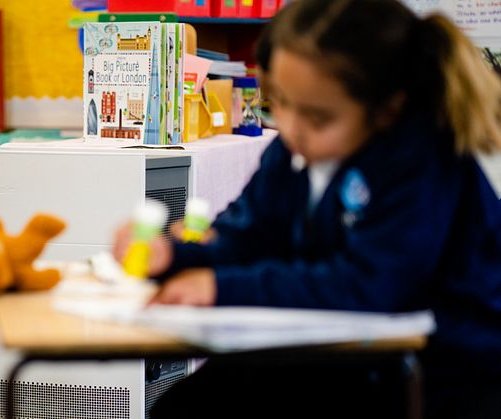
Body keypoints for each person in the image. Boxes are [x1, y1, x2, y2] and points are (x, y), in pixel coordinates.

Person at [113, 0, 501, 417]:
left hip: (441, 371)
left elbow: (371, 284)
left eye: (317, 117)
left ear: (387, 109)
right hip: (341, 348)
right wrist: (174, 255)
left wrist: (223, 287)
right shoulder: (291, 153)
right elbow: (250, 234)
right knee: (183, 407)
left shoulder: (418, 158)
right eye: (278, 102)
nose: (291, 128)